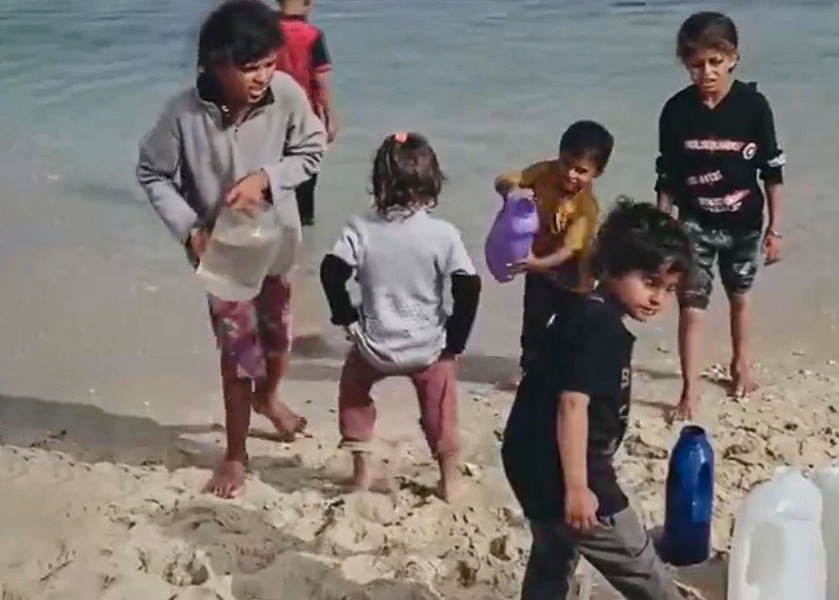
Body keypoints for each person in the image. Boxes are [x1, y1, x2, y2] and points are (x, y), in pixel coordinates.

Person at [136, 0, 326, 499]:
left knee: (279, 342)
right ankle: (236, 454)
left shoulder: (284, 94)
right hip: (219, 256)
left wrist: (269, 178)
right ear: (214, 65)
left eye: (268, 63)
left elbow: (313, 147)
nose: (263, 76)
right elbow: (152, 173)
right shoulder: (182, 115)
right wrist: (188, 230)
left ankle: (270, 398)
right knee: (238, 356)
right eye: (249, 68)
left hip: (277, 244)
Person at [501, 198, 695, 600]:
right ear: (609, 267)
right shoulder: (600, 329)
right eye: (649, 281)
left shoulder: (579, 312)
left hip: (527, 459)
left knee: (554, 555)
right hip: (571, 469)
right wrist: (577, 486)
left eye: (669, 289)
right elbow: (572, 405)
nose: (658, 299)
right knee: (639, 564)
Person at [320, 132, 481, 502]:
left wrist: (346, 319)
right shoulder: (443, 234)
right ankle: (449, 480)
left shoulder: (360, 227)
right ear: (432, 182)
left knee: (353, 392)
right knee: (440, 407)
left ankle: (362, 474)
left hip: (374, 346)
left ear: (378, 182)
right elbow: (468, 286)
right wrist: (454, 341)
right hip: (427, 347)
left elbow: (331, 271)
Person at [655, 11, 786, 418]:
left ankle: (741, 362)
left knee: (740, 298)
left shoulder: (753, 106)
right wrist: (664, 231)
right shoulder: (676, 111)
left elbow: (773, 171)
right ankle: (689, 389)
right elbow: (666, 176)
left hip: (744, 222)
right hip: (694, 222)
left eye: (715, 62)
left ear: (733, 58)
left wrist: (775, 229)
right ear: (685, 64)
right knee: (692, 307)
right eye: (696, 65)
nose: (707, 72)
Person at [494, 121, 614, 375]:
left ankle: (568, 374)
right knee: (533, 325)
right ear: (558, 156)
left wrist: (535, 264)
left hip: (573, 274)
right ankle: (530, 372)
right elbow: (505, 179)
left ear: (597, 173)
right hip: (539, 266)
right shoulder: (543, 171)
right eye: (566, 163)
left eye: (581, 170)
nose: (570, 174)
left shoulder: (586, 208)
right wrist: (513, 192)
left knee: (571, 328)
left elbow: (569, 250)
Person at [275, 0, 338, 226]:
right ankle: (304, 239)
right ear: (308, 3)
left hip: (269, 119)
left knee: (274, 180)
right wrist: (331, 118)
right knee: (305, 181)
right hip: (305, 118)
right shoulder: (312, 35)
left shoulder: (264, 31)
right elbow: (320, 80)